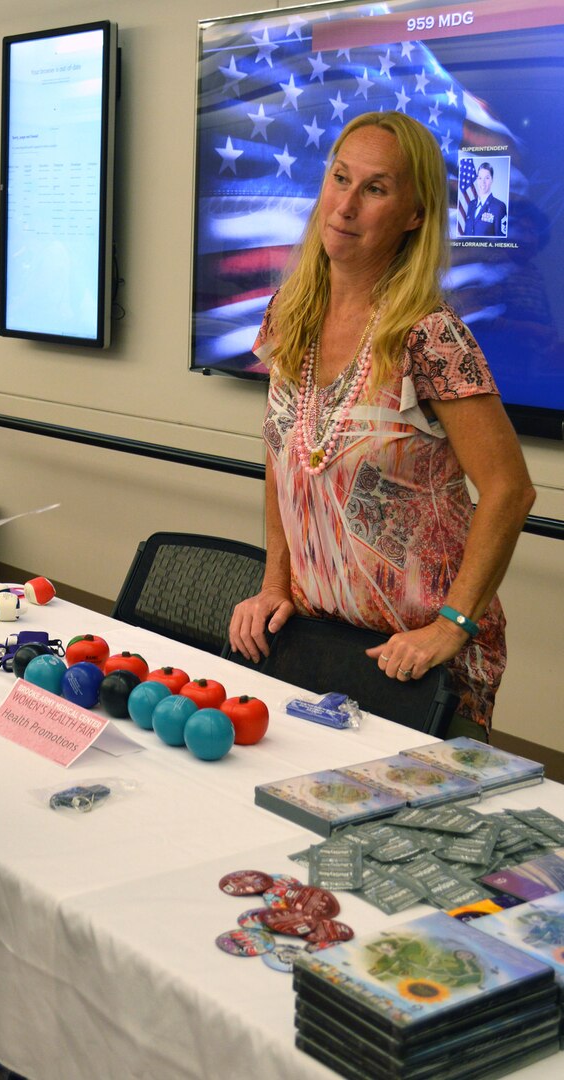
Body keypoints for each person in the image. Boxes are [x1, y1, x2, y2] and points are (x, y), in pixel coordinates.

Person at [228, 112, 535, 740]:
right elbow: (285, 455)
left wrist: (452, 626)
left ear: (414, 214)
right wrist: (274, 582)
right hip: (314, 645)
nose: (345, 204)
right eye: (340, 179)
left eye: (375, 189)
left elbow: (510, 489)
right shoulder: (288, 316)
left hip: (414, 671)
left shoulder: (429, 334)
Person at [463, 161, 507, 237]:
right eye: (480, 178)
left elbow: (501, 241)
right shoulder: (471, 205)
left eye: (487, 178)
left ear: (492, 180)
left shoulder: (499, 206)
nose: (482, 182)